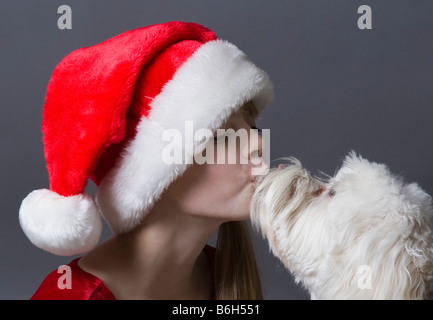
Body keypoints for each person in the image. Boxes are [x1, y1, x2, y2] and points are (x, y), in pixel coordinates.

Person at [19, 21, 274, 300]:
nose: (258, 143)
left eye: (254, 128)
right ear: (157, 174)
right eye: (219, 136)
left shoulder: (223, 275)